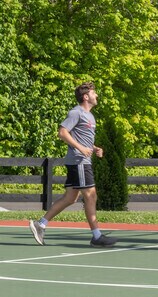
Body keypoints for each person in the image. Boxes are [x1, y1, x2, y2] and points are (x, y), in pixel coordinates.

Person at [28, 82, 117, 248]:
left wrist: (94, 148)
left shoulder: (90, 116)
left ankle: (41, 225)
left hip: (81, 160)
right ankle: (96, 236)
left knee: (71, 197)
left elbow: (82, 139)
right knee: (91, 195)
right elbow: (62, 132)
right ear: (86, 97)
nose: (96, 95)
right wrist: (81, 148)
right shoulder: (76, 112)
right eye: (94, 93)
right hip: (79, 161)